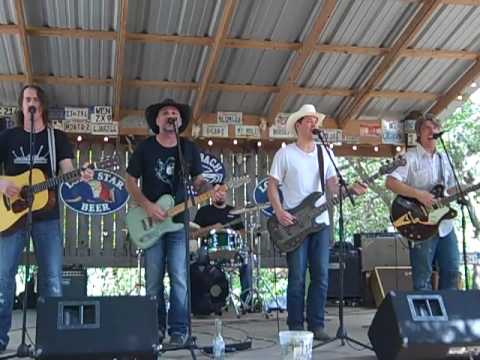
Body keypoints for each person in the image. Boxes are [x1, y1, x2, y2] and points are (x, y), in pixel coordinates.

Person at [0, 85, 93, 352]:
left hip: (47, 216)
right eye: (27, 99)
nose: (31, 103)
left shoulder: (56, 138)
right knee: (3, 277)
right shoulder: (7, 137)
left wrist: (81, 174)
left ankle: (53, 340)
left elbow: (67, 171)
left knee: (52, 278)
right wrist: (4, 183)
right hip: (10, 216)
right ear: (22, 105)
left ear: (42, 105)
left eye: (36, 99)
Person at [267, 104, 366, 341]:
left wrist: (350, 189)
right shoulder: (285, 154)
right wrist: (279, 211)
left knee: (321, 274)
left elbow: (333, 187)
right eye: (308, 120)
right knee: (298, 275)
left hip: (321, 223)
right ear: (298, 125)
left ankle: (317, 324)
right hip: (294, 223)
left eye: (315, 120)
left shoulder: (325, 153)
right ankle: (295, 324)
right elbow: (272, 185)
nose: (314, 124)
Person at [126, 98, 221, 346]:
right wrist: (148, 206)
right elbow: (130, 181)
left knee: (179, 277)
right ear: (157, 121)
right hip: (150, 221)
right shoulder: (146, 148)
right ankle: (155, 329)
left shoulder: (188, 148)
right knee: (153, 279)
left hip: (178, 223)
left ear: (179, 121)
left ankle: (178, 331)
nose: (171, 115)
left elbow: (199, 181)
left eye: (175, 113)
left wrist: (211, 189)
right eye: (166, 112)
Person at [386, 114, 459, 290]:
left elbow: (449, 189)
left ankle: (447, 315)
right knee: (422, 278)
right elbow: (391, 182)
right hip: (420, 223)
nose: (432, 131)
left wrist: (464, 189)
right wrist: (419, 194)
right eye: (427, 128)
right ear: (419, 132)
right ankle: (426, 316)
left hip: (444, 224)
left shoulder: (445, 159)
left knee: (452, 271)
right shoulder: (410, 157)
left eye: (435, 128)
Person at [193, 185, 253, 309]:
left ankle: (246, 301)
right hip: (209, 250)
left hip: (232, 249)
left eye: (222, 192)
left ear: (226, 193)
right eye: (217, 192)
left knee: (248, 260)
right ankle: (206, 302)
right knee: (198, 259)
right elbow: (194, 234)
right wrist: (211, 228)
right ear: (212, 194)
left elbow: (242, 232)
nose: (220, 194)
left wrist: (234, 232)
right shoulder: (203, 211)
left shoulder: (233, 212)